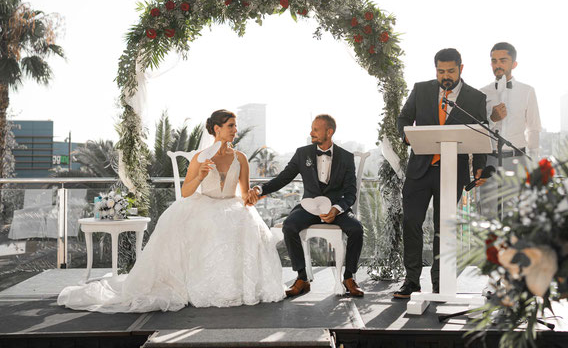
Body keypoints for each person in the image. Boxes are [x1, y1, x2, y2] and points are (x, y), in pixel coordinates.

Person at [58, 110, 285, 313]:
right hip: (204, 205)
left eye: (235, 126)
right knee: (210, 223)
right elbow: (186, 192)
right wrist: (199, 176)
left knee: (244, 221)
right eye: (231, 126)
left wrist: (256, 193)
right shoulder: (201, 157)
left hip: (233, 206)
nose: (235, 130)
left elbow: (245, 196)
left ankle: (241, 287)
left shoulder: (241, 158)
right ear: (217, 129)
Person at [394, 48, 488, 299]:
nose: (445, 76)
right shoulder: (421, 89)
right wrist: (408, 136)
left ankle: (439, 282)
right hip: (419, 170)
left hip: (452, 172)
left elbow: (480, 133)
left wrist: (480, 165)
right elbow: (403, 117)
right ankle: (412, 281)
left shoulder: (475, 98)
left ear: (461, 68)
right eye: (440, 71)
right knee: (411, 223)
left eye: (450, 71)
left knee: (442, 228)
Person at [246, 114, 364, 297]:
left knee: (357, 229)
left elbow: (350, 192)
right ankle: (302, 278)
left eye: (316, 129)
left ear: (329, 131)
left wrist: (337, 209)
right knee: (290, 226)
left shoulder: (346, 157)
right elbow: (283, 178)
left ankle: (349, 278)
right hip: (308, 207)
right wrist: (260, 189)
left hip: (336, 209)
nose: (311, 133)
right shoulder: (303, 153)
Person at [479, 42, 542, 217]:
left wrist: (533, 166)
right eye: (494, 60)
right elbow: (478, 129)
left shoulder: (527, 91)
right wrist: (492, 119)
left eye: (503, 60)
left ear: (513, 64)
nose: (497, 65)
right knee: (488, 215)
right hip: (490, 160)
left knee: (515, 216)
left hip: (518, 161)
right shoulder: (482, 93)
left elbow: (533, 129)